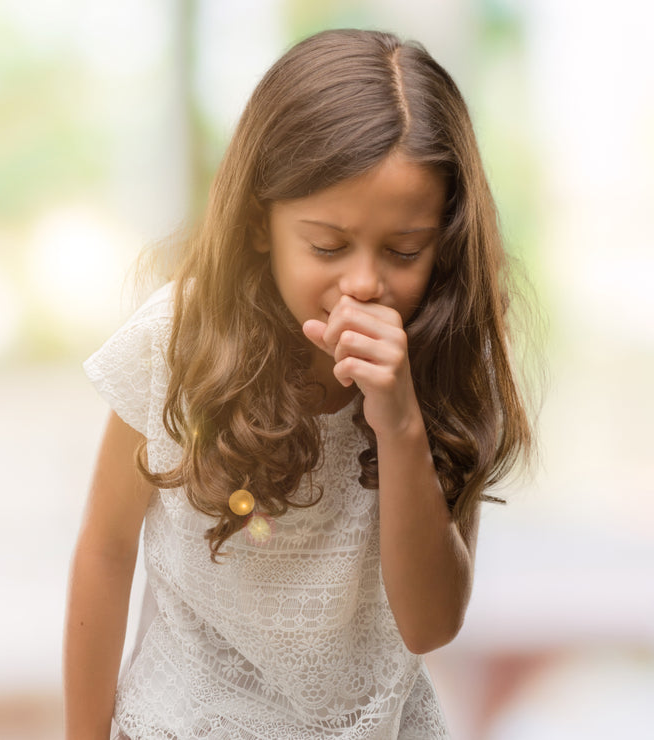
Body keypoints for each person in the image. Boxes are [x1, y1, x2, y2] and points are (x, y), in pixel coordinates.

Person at [64, 28, 534, 739]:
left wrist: (400, 424)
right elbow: (106, 548)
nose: (366, 282)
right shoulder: (179, 343)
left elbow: (430, 624)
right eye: (327, 246)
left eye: (404, 250)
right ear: (260, 225)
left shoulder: (446, 360)